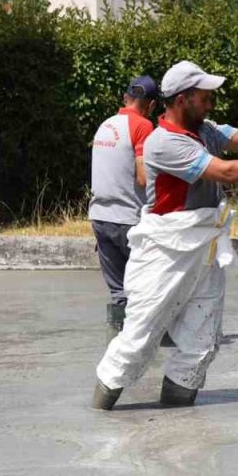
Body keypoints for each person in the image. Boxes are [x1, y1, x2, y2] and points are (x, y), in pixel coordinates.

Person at [92, 60, 238, 410]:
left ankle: (177, 425)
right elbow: (225, 172)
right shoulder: (162, 142)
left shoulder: (205, 128)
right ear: (182, 99)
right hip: (165, 252)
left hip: (204, 248)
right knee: (138, 342)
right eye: (205, 97)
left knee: (202, 342)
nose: (211, 103)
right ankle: (100, 415)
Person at [88, 76, 159, 342]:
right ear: (150, 105)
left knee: (119, 293)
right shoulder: (142, 126)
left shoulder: (105, 125)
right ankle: (151, 345)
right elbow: (143, 177)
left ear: (124, 98)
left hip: (99, 218)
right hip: (129, 220)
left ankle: (116, 347)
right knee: (149, 286)